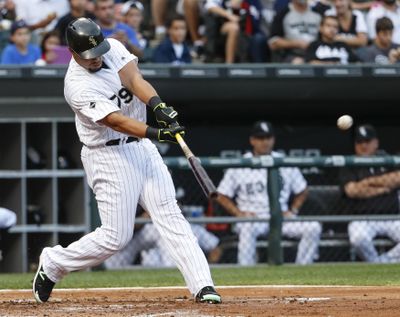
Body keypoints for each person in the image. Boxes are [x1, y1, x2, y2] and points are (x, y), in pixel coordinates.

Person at [32, 17, 221, 305]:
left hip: (142, 148)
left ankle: (203, 285)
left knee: (170, 214)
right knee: (116, 238)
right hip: (107, 155)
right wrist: (157, 132)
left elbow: (133, 79)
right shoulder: (76, 85)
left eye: (98, 52)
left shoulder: (112, 48)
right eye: (89, 56)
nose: (96, 59)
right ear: (72, 52)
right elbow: (115, 121)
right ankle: (54, 262)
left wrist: (158, 105)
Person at [216, 121, 321, 265]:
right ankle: (245, 272)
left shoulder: (284, 161)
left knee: (313, 227)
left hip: (280, 217)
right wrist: (238, 213)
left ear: (273, 139)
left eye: (268, 137)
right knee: (247, 227)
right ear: (252, 140)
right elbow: (221, 195)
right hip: (253, 218)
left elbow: (303, 190)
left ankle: (302, 268)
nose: (265, 142)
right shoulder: (240, 164)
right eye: (260, 138)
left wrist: (293, 210)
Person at [339, 124, 400, 263]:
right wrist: (383, 187)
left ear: (376, 143)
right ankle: (378, 263)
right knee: (358, 238)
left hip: (392, 218)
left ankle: (381, 263)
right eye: (359, 142)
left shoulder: (387, 160)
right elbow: (352, 190)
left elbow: (398, 178)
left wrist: (366, 183)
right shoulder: (350, 164)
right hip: (362, 218)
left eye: (367, 141)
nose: (363, 145)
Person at [104, 210, 222, 269]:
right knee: (111, 265)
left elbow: (216, 247)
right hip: (136, 233)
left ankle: (172, 269)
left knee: (165, 233)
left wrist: (209, 265)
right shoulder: (129, 189)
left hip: (159, 228)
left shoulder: (194, 228)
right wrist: (146, 216)